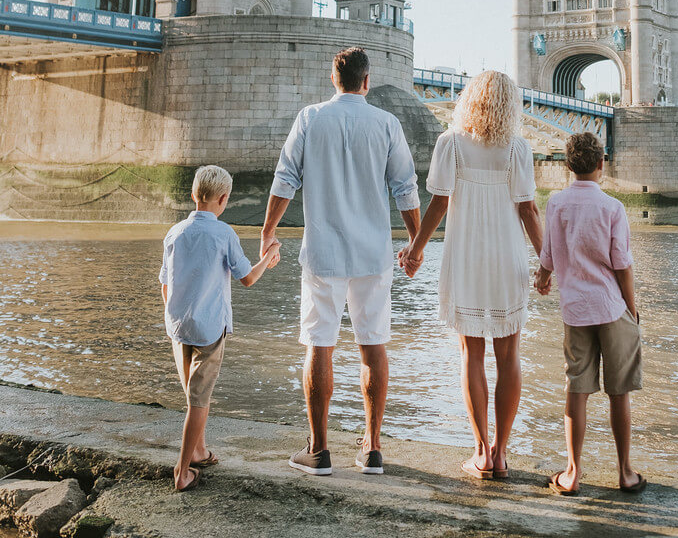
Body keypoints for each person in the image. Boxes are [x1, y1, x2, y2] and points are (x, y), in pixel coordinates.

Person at [260, 46, 420, 476]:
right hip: (373, 254)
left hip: (323, 253)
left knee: (319, 344)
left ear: (334, 78)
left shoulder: (310, 119)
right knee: (373, 344)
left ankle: (319, 450)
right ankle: (372, 449)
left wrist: (268, 232)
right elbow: (405, 187)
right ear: (366, 82)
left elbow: (285, 178)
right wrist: (415, 242)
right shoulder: (386, 123)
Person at [399, 70, 543, 480]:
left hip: (466, 258)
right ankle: (502, 452)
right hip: (506, 259)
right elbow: (528, 210)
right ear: (509, 106)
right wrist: (547, 262)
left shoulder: (451, 143)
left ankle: (481, 452)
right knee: (509, 355)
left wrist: (415, 250)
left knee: (472, 355)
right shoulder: (517, 148)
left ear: (470, 101)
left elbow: (439, 204)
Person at [534, 131, 646, 496]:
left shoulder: (556, 203)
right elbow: (622, 265)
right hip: (611, 308)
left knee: (576, 390)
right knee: (619, 393)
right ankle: (625, 472)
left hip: (576, 310)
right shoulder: (613, 207)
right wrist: (632, 309)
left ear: (568, 165)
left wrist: (543, 278)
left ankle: (572, 473)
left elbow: (548, 254)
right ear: (601, 164)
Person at [160, 164, 281, 491]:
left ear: (193, 194)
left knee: (194, 394)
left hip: (178, 325)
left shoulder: (175, 232)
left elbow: (165, 283)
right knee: (199, 400)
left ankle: (199, 451)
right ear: (224, 199)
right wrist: (269, 255)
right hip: (209, 327)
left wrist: (173, 313)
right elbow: (248, 278)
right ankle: (182, 472)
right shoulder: (224, 233)